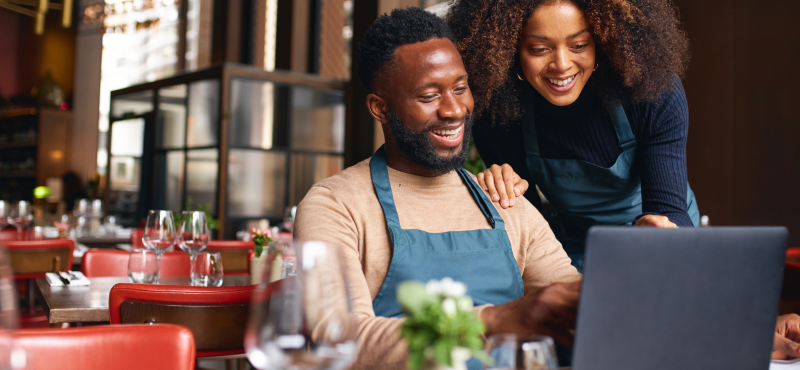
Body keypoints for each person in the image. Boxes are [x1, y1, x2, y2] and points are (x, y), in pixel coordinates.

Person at [294, 7, 800, 370]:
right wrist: (502, 319)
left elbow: (594, 307)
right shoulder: (336, 205)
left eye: (461, 88)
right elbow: (338, 340)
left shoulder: (505, 203)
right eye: (429, 95)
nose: (453, 110)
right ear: (379, 108)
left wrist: (737, 332)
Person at [445, 0, 698, 270]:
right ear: (510, 49)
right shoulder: (499, 115)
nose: (562, 65)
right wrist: (502, 190)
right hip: (576, 244)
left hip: (658, 235)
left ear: (601, 41)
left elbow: (670, 210)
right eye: (539, 49)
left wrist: (660, 228)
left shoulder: (652, 93)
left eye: (579, 46)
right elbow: (529, 228)